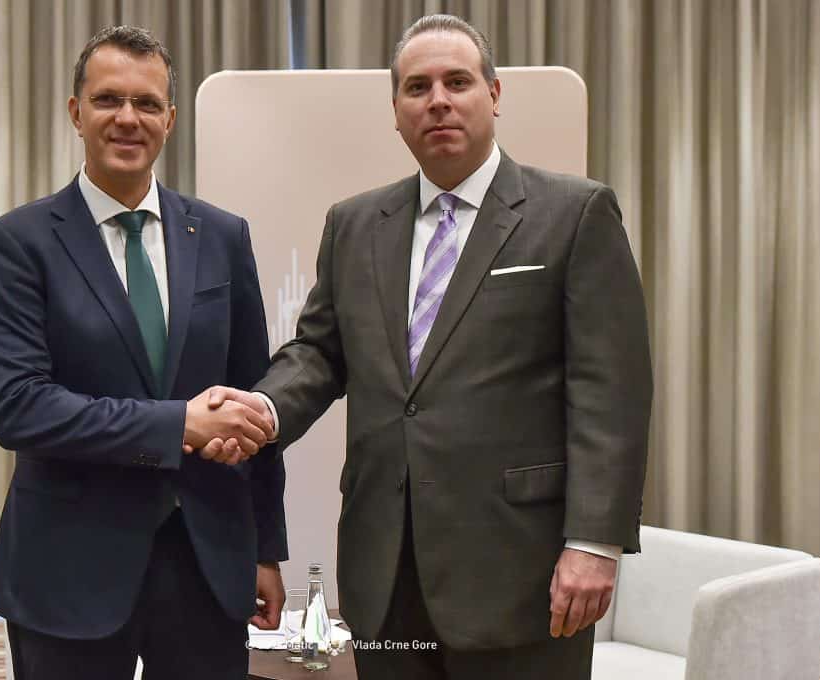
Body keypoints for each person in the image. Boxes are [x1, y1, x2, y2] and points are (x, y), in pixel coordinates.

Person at [203, 14, 652, 680]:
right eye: (417, 87)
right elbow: (319, 353)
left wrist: (594, 542)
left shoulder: (574, 213)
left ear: (493, 94)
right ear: (396, 111)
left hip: (521, 573)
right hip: (385, 572)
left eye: (457, 82)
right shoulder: (355, 223)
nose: (437, 100)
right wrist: (263, 411)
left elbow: (611, 393)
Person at [0, 25, 285, 680]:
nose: (127, 118)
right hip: (68, 572)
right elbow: (20, 408)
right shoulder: (20, 243)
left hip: (207, 564)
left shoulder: (222, 236)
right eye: (108, 99)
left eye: (146, 103)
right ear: (75, 112)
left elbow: (253, 397)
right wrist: (179, 426)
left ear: (169, 120)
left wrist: (265, 548)